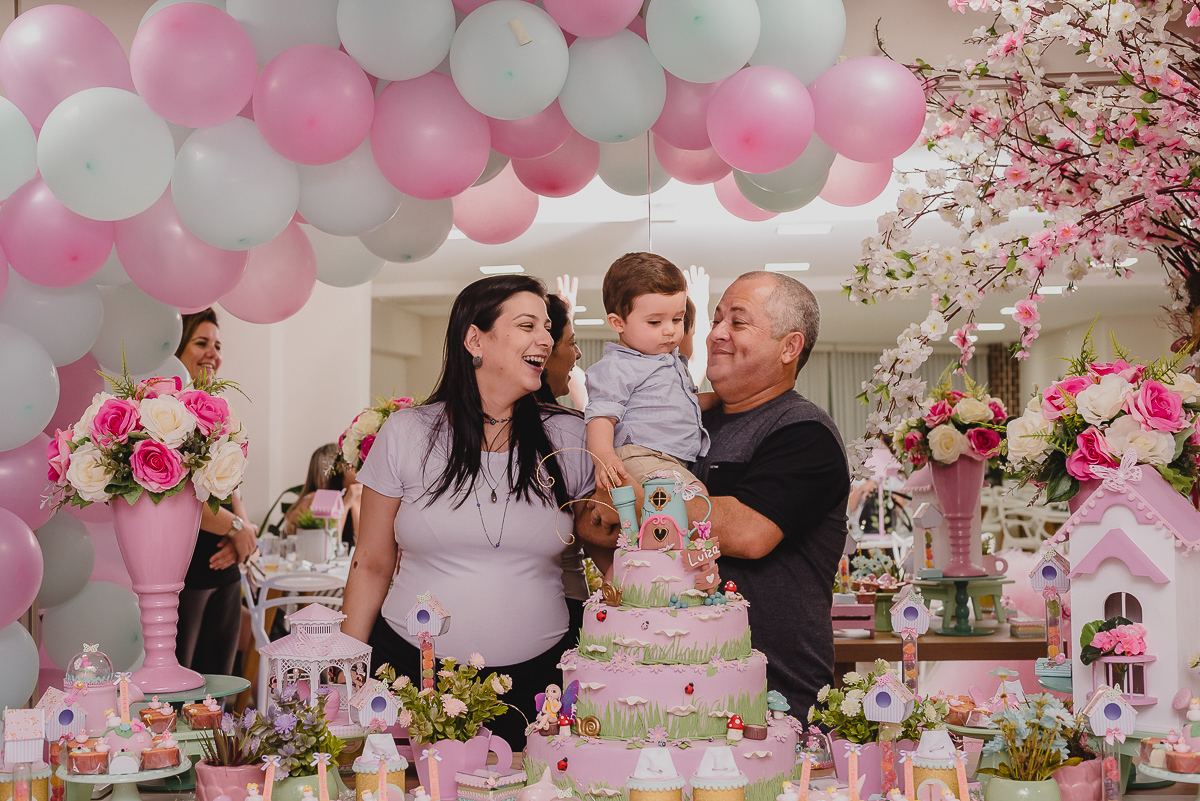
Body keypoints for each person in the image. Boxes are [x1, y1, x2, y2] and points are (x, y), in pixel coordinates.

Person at [341, 275, 606, 744]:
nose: (545, 339)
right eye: (527, 325)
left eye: (547, 327)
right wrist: (347, 668)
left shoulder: (569, 437)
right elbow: (371, 562)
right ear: (474, 339)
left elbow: (607, 555)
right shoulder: (407, 433)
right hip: (408, 678)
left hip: (540, 687)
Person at [583, 270, 850, 718]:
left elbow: (748, 532)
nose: (715, 334)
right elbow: (600, 528)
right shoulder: (686, 427)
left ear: (789, 347)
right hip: (663, 683)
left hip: (772, 696)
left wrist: (629, 497)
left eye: (738, 322)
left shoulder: (803, 432)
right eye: (715, 319)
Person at [175, 308, 260, 676]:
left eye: (217, 345)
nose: (213, 353)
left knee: (219, 687)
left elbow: (230, 485)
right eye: (201, 343)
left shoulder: (219, 412)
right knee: (180, 685)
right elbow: (183, 498)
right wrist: (236, 528)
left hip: (225, 568)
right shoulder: (166, 413)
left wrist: (240, 529)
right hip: (189, 569)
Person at [584, 252, 711, 491]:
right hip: (640, 456)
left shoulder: (667, 361)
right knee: (692, 498)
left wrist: (719, 400)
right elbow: (601, 417)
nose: (670, 331)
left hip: (669, 459)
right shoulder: (617, 366)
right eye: (655, 322)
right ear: (617, 323)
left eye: (677, 319)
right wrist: (604, 456)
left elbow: (679, 403)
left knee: (680, 510)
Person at [284, 443, 363, 549]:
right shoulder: (316, 499)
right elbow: (329, 545)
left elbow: (363, 545)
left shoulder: (356, 494)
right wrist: (347, 503)